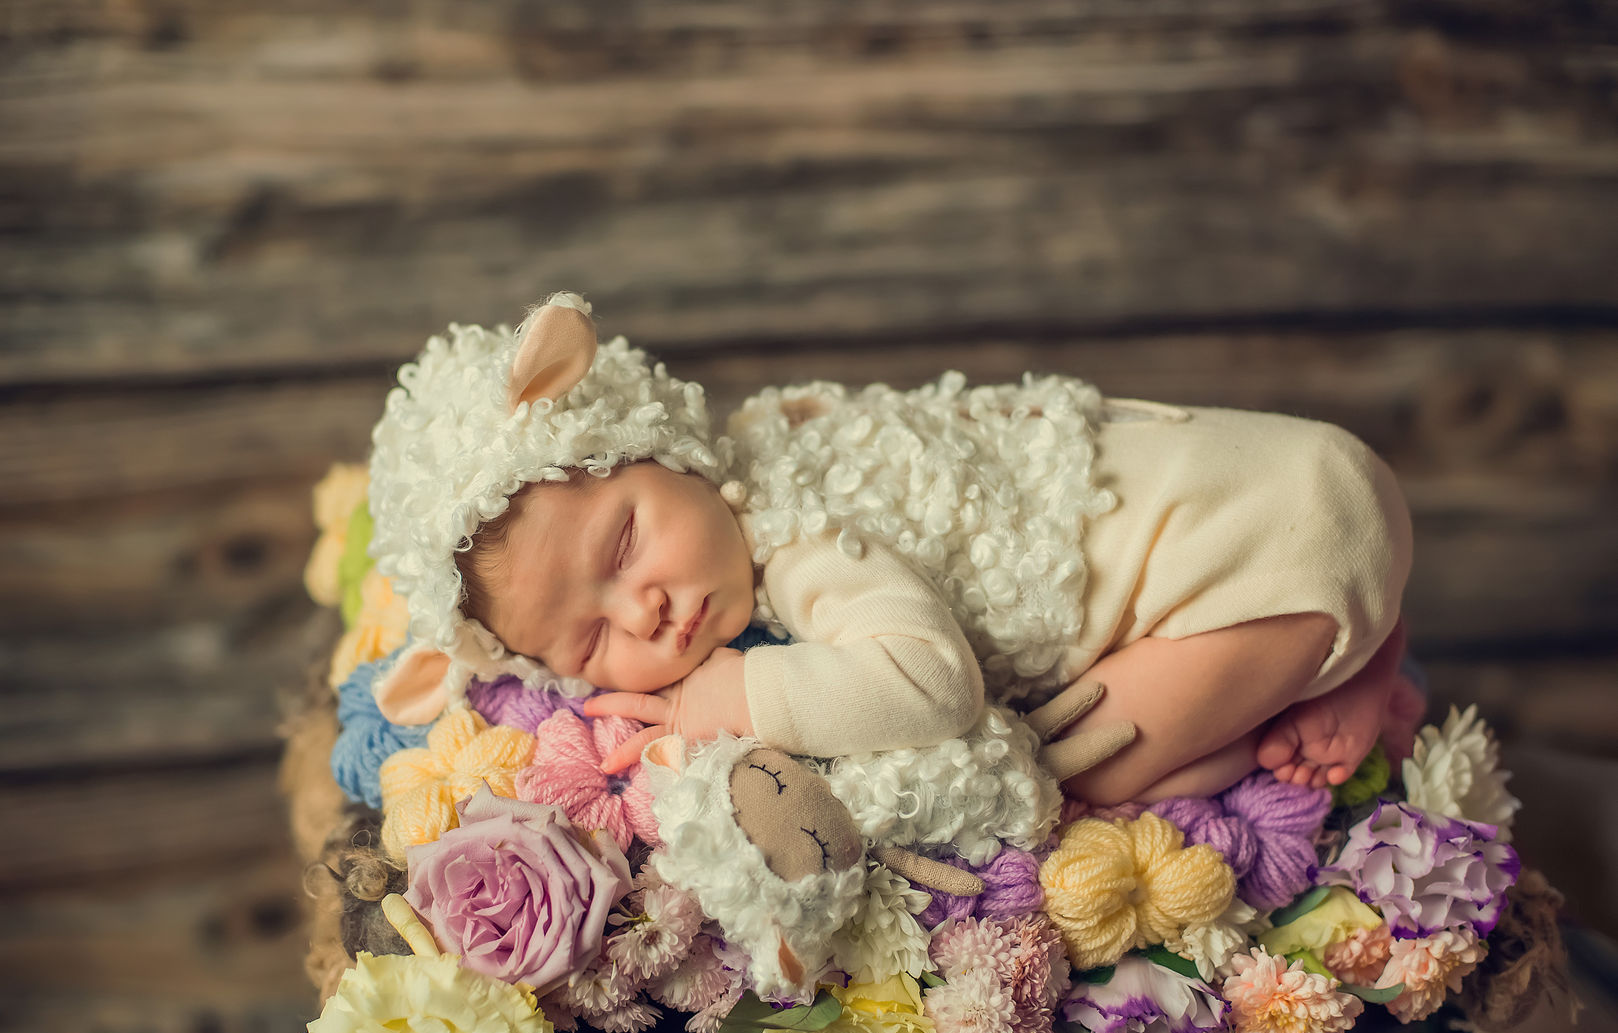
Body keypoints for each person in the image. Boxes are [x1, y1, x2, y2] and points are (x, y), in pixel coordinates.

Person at [367, 293, 1421, 805]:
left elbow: (930, 687)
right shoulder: (760, 442)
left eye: (627, 542)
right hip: (1285, 480)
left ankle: (1348, 661)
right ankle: (1355, 641)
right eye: (592, 638)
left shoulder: (801, 539)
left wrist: (731, 700)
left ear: (660, 447)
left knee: (1077, 776)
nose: (643, 608)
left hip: (1268, 548)